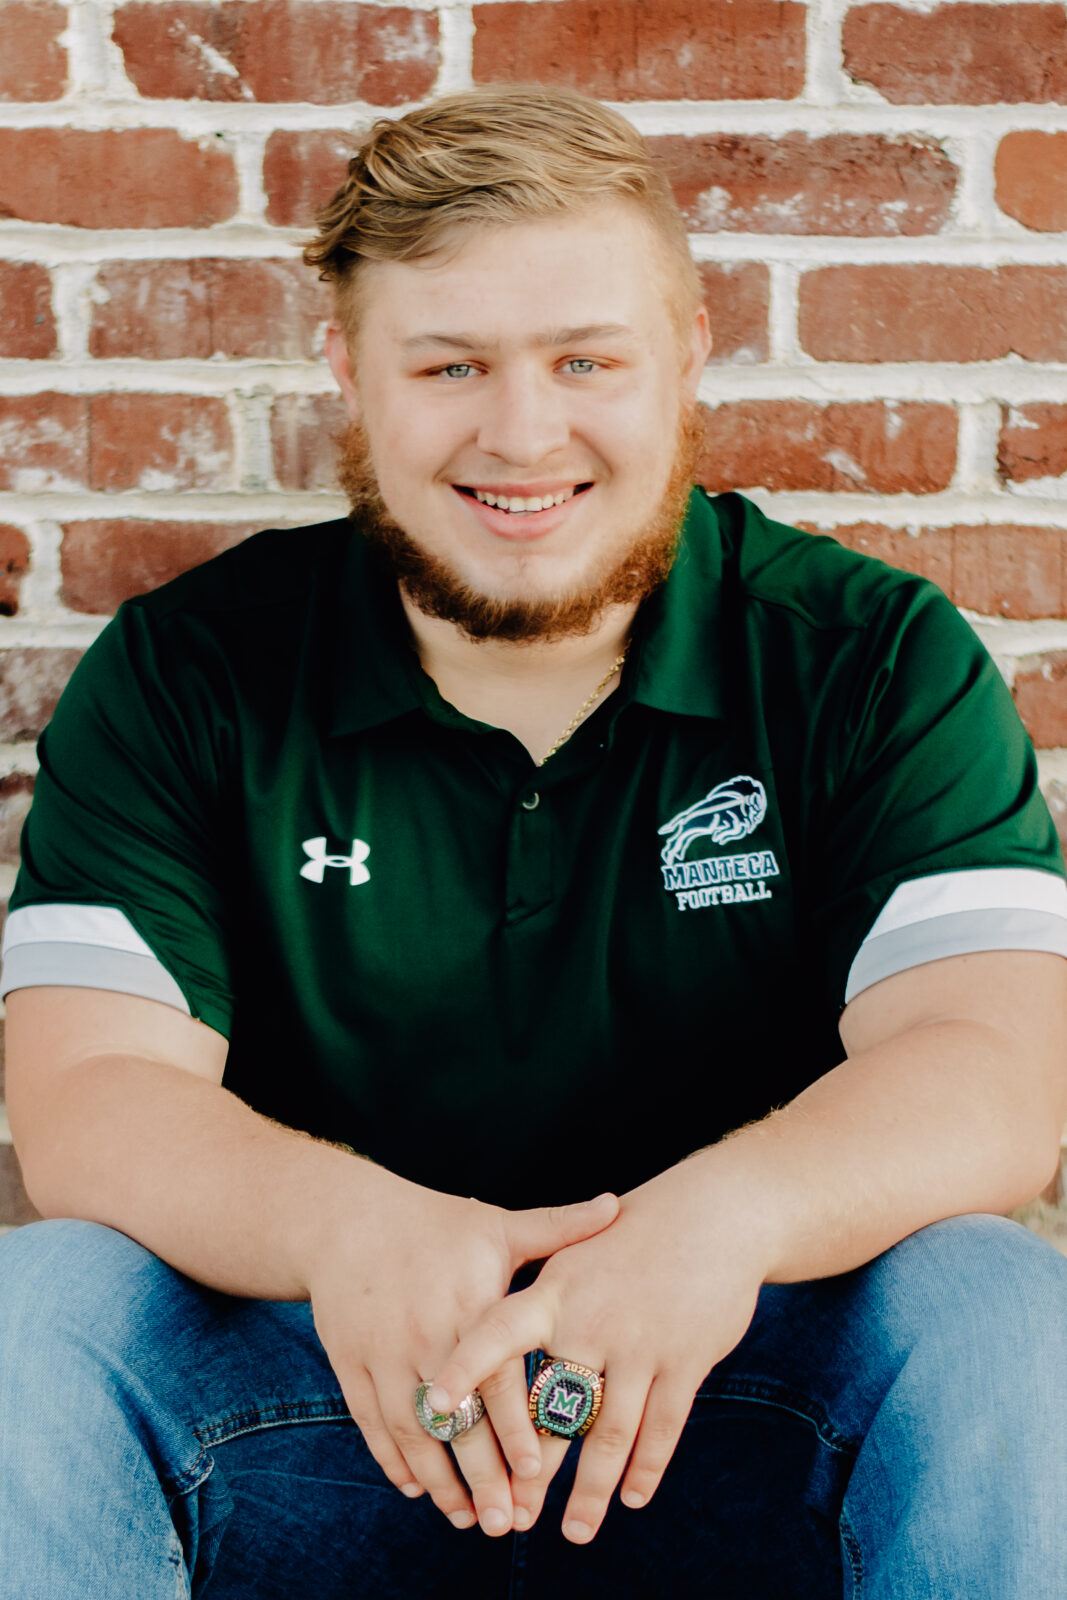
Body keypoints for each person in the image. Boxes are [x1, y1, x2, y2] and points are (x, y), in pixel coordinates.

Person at [0, 84, 1066, 1599]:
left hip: (742, 1397)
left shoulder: (867, 655)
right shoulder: (193, 670)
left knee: (1006, 1313)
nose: (523, 433)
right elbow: (84, 1099)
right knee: (33, 1314)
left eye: (585, 359)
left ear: (687, 355)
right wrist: (347, 1228)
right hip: (331, 1410)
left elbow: (997, 1070)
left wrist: (715, 1226)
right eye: (450, 364)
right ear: (349, 375)